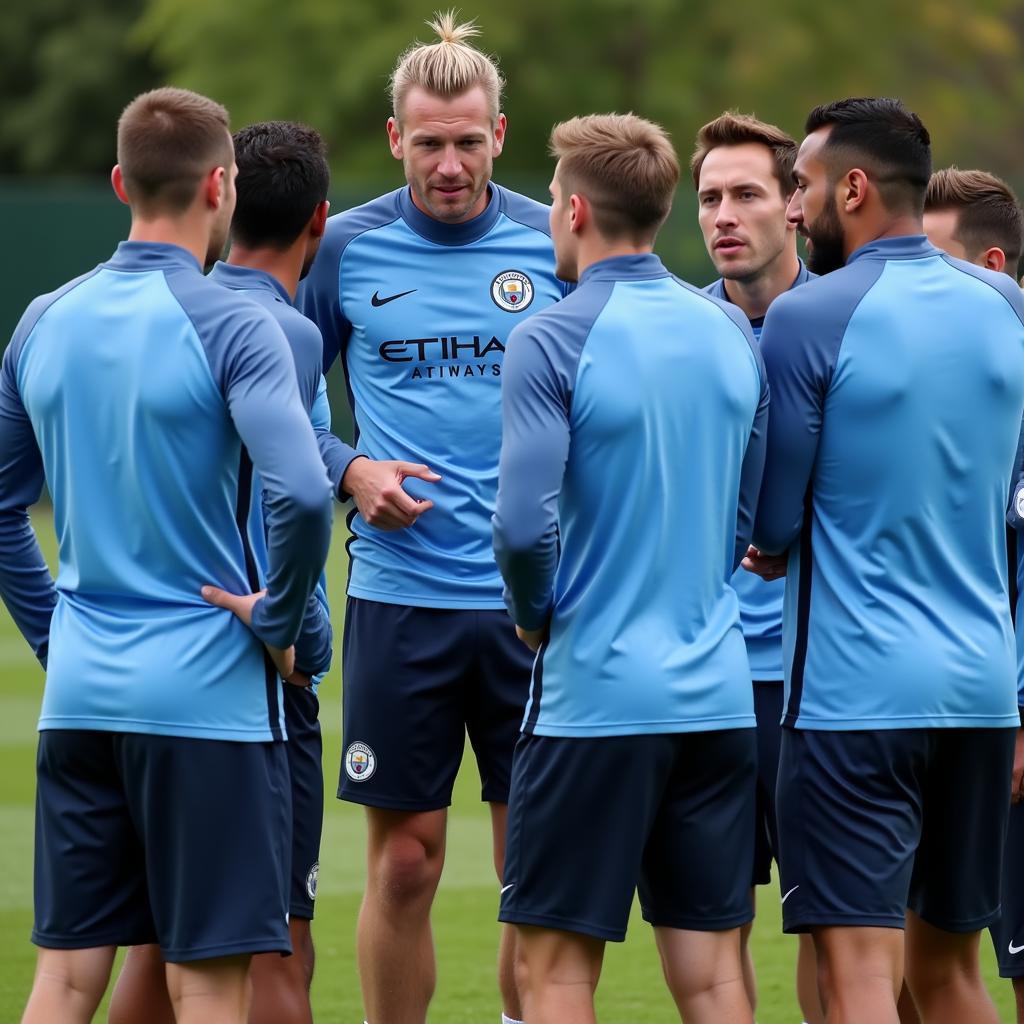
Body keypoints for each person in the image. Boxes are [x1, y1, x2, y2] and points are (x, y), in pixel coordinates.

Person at [0, 88, 333, 1024]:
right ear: (222, 186)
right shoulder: (237, 325)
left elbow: (0, 505)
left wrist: (54, 636)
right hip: (208, 710)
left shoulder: (41, 320)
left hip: (80, 702)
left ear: (118, 183)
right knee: (206, 984)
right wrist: (279, 616)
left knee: (65, 981)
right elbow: (303, 491)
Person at [298, 13, 566, 1024]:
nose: (447, 163)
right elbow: (275, 402)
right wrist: (349, 465)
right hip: (399, 599)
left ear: (500, 135)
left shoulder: (552, 241)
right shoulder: (347, 248)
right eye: (427, 141)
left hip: (533, 606)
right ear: (393, 137)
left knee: (528, 866)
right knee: (405, 864)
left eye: (466, 140)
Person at [747, 97, 1024, 1024]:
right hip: (984, 695)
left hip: (853, 700)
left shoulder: (806, 315)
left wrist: (765, 540)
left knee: (859, 977)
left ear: (854, 189)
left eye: (802, 187)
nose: (791, 208)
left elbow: (773, 519)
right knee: (950, 978)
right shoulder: (1006, 304)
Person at [493, 111, 768, 1024]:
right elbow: (753, 514)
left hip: (594, 703)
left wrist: (534, 613)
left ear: (571, 210)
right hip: (719, 700)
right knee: (716, 975)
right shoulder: (728, 329)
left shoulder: (551, 336)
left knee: (556, 975)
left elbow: (523, 529)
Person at [108, 119, 337, 1024]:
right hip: (246, 674)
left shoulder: (152, 314)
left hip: (132, 669)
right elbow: (293, 499)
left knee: (160, 945)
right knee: (271, 945)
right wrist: (299, 631)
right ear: (320, 220)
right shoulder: (277, 333)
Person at [691, 110, 820, 1024]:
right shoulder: (679, 333)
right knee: (711, 921)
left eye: (747, 194)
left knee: (840, 928)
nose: (724, 215)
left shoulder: (849, 324)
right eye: (708, 198)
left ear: (797, 205)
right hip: (706, 678)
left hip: (822, 681)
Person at [923, 165, 1024, 1024]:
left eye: (933, 261)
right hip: (953, 710)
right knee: (919, 965)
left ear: (991, 267)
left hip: (1009, 721)